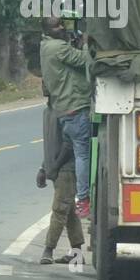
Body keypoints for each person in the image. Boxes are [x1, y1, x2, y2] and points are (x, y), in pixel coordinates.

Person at [40, 16, 93, 218]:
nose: (61, 27)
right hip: (75, 107)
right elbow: (85, 61)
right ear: (47, 29)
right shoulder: (59, 48)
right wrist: (87, 44)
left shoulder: (46, 47)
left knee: (73, 150)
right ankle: (84, 199)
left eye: (62, 24)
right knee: (82, 154)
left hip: (63, 109)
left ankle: (52, 173)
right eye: (57, 26)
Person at [36, 102, 84, 265]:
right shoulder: (47, 111)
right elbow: (51, 145)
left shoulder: (64, 110)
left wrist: (54, 167)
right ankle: (77, 254)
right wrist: (43, 168)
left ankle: (48, 250)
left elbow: (69, 144)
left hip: (66, 169)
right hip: (56, 168)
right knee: (69, 211)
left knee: (60, 209)